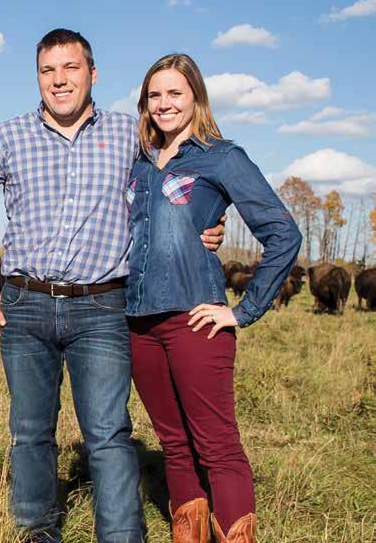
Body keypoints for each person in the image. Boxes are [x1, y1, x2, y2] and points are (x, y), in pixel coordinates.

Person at [0, 29, 225, 543]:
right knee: (31, 431)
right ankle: (38, 531)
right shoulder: (4, 137)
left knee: (109, 434)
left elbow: (181, 179)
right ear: (38, 79)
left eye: (71, 68)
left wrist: (205, 221)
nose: (60, 80)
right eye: (48, 71)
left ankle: (120, 536)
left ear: (92, 74)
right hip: (24, 306)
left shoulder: (130, 135)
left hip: (102, 308)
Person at [124, 54, 301, 543]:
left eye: (175, 93)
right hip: (137, 323)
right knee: (174, 445)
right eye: (154, 95)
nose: (164, 104)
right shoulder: (136, 162)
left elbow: (283, 233)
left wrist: (242, 310)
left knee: (217, 445)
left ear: (195, 97)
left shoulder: (221, 157)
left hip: (195, 321)